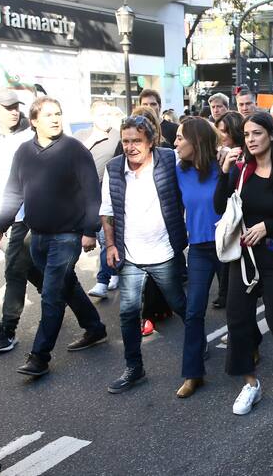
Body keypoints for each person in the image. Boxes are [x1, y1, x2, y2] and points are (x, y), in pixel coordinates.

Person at [0, 96, 108, 376]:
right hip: (37, 236)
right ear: (33, 122)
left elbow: (92, 191)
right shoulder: (24, 152)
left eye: (58, 113)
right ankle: (94, 328)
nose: (55, 119)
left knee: (52, 295)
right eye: (48, 115)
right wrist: (0, 225)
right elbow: (14, 192)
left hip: (67, 237)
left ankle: (39, 357)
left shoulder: (74, 149)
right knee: (65, 285)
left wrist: (90, 230)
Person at [215, 112, 273, 415]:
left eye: (257, 134)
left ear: (270, 136)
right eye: (247, 135)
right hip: (244, 259)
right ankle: (250, 384)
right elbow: (219, 207)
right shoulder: (241, 171)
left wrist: (268, 226)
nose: (250, 140)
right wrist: (224, 172)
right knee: (238, 320)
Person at [101, 115, 188, 393]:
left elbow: (195, 170)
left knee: (179, 303)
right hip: (130, 256)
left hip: (163, 252)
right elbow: (108, 211)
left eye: (136, 140)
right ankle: (134, 368)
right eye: (125, 141)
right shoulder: (113, 169)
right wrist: (112, 246)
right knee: (128, 314)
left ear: (150, 142)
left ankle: (197, 348)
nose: (130, 146)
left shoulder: (169, 159)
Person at [172, 117, 222, 397]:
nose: (175, 143)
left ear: (197, 141)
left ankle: (249, 346)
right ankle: (193, 374)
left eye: (181, 138)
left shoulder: (223, 166)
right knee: (193, 312)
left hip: (228, 246)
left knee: (239, 306)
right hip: (200, 249)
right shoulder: (179, 171)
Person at [0, 88, 36, 353]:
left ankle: (7, 330)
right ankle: (89, 321)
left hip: (23, 217)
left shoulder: (30, 137)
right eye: (7, 107)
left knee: (14, 271)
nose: (14, 111)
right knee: (36, 271)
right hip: (1, 217)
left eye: (16, 106)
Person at [75, 100, 121, 299]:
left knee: (105, 237)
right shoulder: (81, 136)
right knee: (96, 240)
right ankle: (114, 270)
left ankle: (103, 279)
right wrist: (92, 139)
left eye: (108, 114)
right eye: (101, 115)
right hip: (82, 197)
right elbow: (72, 158)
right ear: (92, 116)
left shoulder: (118, 136)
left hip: (107, 196)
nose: (106, 118)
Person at [211, 111, 245, 310]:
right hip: (226, 219)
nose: (221, 134)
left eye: (225, 131)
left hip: (245, 224)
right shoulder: (220, 154)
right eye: (219, 130)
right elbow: (219, 203)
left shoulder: (242, 157)